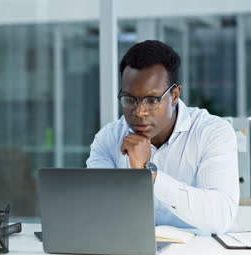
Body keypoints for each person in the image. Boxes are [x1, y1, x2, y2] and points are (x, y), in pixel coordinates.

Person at [86, 40, 239, 234]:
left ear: (175, 95)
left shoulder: (212, 132)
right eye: (129, 99)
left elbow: (220, 217)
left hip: (202, 252)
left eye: (151, 100)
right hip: (133, 252)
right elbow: (97, 210)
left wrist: (150, 173)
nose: (139, 111)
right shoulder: (108, 139)